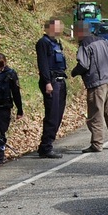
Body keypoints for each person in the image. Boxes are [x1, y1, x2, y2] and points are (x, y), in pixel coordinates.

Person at [70, 21, 108, 153]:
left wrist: (74, 72)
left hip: (96, 84)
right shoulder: (102, 40)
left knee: (95, 114)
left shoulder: (85, 45)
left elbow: (83, 65)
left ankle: (97, 143)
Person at [35, 19, 68, 158]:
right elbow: (43, 64)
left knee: (58, 116)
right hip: (51, 82)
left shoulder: (57, 43)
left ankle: (48, 144)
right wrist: (47, 82)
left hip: (60, 81)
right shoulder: (43, 43)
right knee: (52, 115)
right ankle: (46, 146)